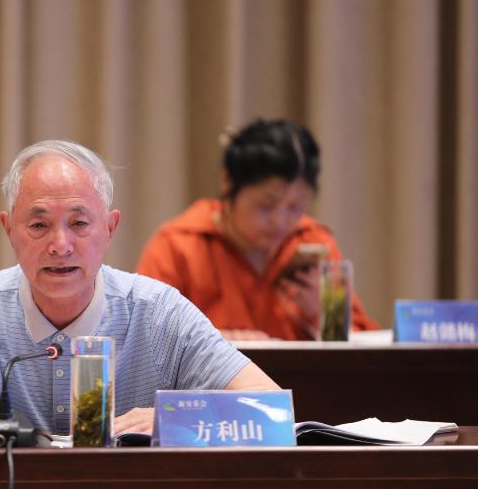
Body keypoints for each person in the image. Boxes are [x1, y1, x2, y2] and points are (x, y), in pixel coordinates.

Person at [0, 139, 279, 446]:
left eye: (79, 223)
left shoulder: (159, 311)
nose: (60, 245)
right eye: (39, 226)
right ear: (9, 229)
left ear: (110, 228)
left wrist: (171, 418)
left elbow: (271, 409)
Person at [136, 119, 378, 341]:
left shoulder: (314, 241)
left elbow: (363, 348)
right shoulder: (177, 246)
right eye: (267, 205)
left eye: (295, 207)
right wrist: (214, 342)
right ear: (228, 182)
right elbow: (145, 338)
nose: (280, 221)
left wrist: (324, 316)